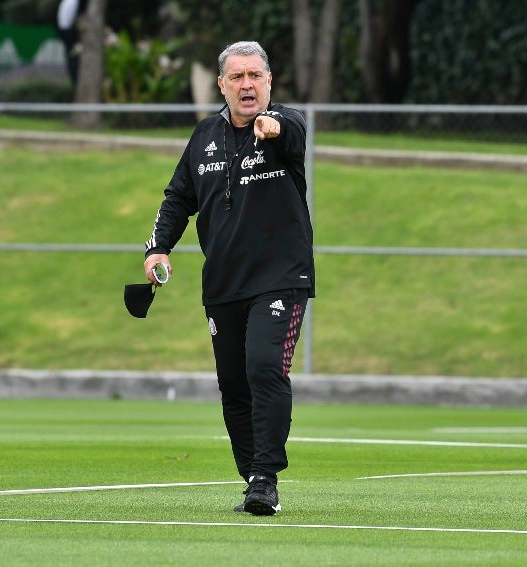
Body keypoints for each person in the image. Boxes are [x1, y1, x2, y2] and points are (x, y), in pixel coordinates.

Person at [142, 41, 315, 516]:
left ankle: (265, 476)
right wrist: (157, 247)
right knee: (234, 385)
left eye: (255, 76)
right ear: (221, 84)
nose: (246, 85)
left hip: (281, 278)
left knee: (264, 367)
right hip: (224, 283)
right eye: (237, 77)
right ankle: (252, 478)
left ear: (269, 82)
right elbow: (178, 197)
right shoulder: (204, 137)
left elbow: (294, 133)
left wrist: (274, 126)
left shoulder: (285, 125)